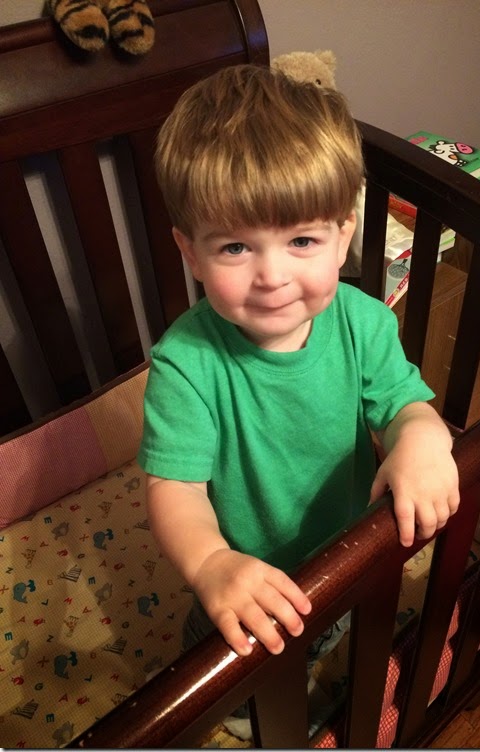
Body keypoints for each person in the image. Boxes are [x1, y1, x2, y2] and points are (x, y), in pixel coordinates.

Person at [137, 64, 460, 662]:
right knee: (228, 673)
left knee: (333, 646)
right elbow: (174, 488)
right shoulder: (186, 364)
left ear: (342, 236)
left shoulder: (364, 323)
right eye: (236, 246)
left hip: (349, 550)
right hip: (247, 575)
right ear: (191, 253)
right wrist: (210, 563)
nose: (272, 276)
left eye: (302, 241)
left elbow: (406, 408)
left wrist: (421, 441)